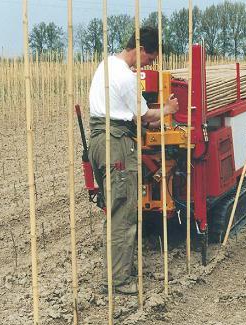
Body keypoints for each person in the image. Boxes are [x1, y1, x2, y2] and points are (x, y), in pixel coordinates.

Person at [88, 27, 179, 294]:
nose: (149, 63)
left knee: (114, 209)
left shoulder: (105, 65)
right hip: (116, 145)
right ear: (140, 50)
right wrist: (169, 110)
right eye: (150, 58)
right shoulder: (126, 78)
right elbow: (144, 116)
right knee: (124, 214)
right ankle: (117, 280)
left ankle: (119, 268)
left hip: (98, 142)